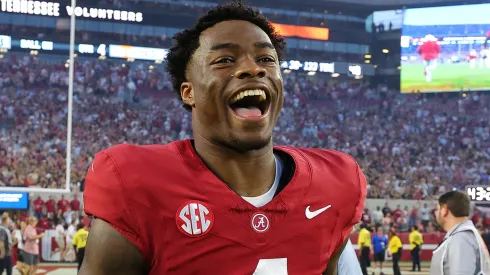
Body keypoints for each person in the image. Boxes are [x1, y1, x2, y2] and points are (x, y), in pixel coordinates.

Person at [80, 1, 367, 274]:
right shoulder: (136, 183)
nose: (253, 68)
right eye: (225, 60)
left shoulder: (333, 185)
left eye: (266, 58)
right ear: (188, 92)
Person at [430, 191, 490, 275]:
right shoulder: (463, 235)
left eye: (438, 209)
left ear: (444, 210)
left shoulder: (461, 238)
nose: (436, 213)